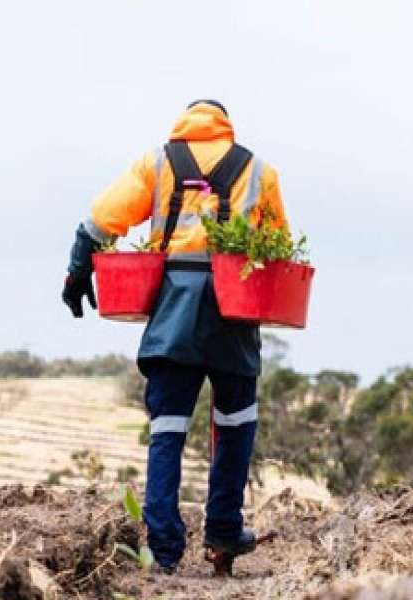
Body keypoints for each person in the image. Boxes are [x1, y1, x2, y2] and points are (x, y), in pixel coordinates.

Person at [61, 99, 289, 573]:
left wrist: (78, 269)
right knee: (235, 423)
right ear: (225, 127)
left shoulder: (158, 163)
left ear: (185, 124)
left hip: (174, 312)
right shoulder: (259, 171)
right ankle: (224, 532)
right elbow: (280, 248)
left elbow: (103, 218)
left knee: (167, 428)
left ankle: (163, 549)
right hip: (235, 310)